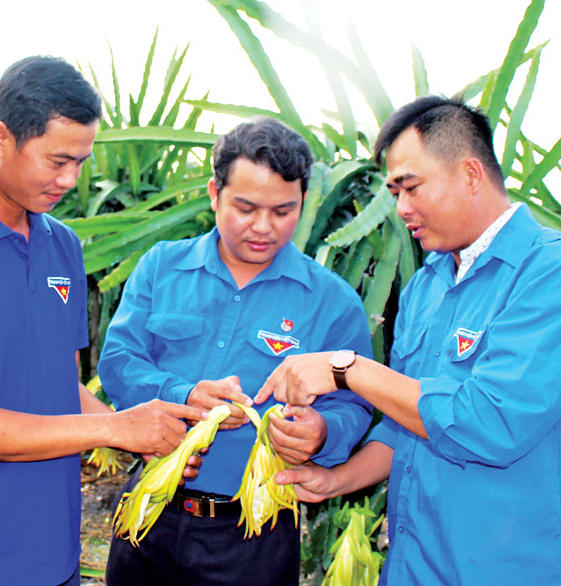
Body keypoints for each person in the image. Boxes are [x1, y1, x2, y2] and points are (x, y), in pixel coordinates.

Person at [257, 96, 561, 585]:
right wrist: (336, 479)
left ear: (471, 174)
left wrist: (348, 369)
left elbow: (489, 422)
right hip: (418, 566)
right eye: (394, 191)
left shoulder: (558, 278)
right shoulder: (427, 285)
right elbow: (409, 420)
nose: (401, 208)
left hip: (517, 570)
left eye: (412, 187)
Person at [0, 55, 203, 586]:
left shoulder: (62, 246)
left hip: (53, 554)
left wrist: (140, 432)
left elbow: (57, 384)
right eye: (56, 161)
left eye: (80, 161)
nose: (70, 179)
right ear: (1, 138)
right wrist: (114, 426)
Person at [98, 118, 374, 585]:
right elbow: (119, 361)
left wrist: (323, 431)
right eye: (245, 208)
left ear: (303, 202)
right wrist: (182, 394)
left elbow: (357, 403)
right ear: (214, 194)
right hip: (150, 512)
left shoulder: (332, 301)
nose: (263, 227)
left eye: (283, 211)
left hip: (255, 529)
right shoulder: (163, 267)